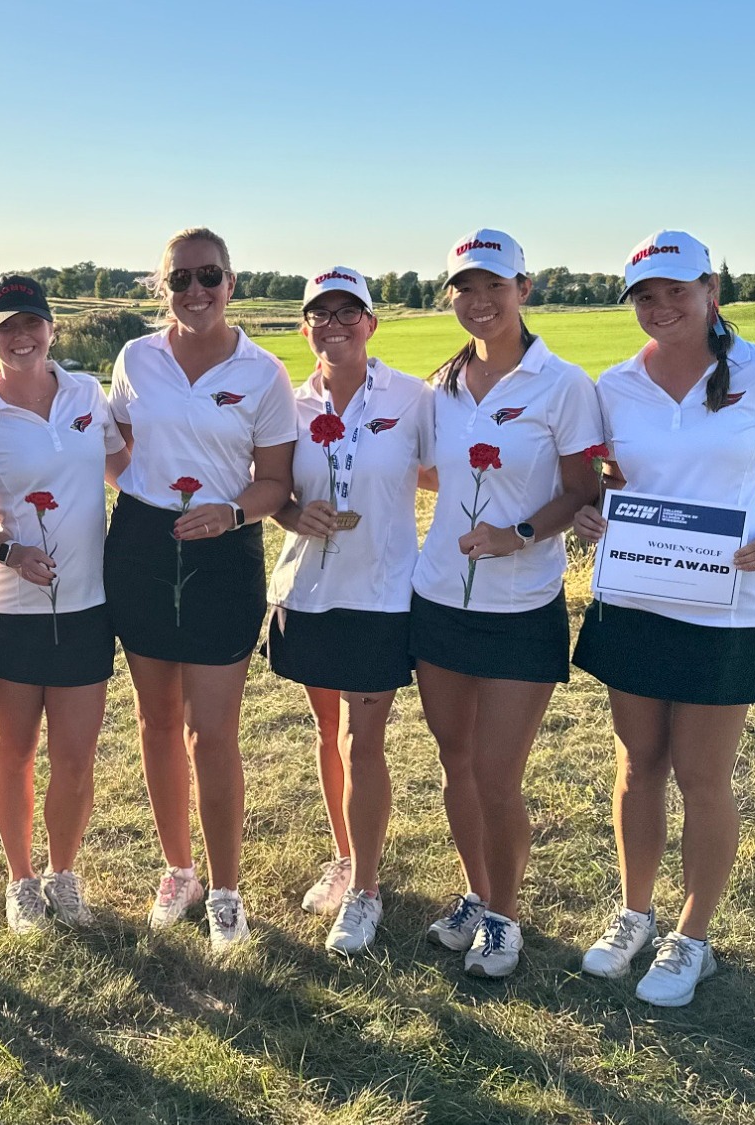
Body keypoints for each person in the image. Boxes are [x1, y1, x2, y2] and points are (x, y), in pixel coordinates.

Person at [571, 230, 755, 1007]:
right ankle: (634, 914)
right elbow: (604, 478)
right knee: (636, 764)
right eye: (645, 296)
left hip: (730, 607)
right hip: (637, 600)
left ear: (711, 289)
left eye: (677, 290)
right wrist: (592, 512)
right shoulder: (613, 385)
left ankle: (692, 937)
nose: (661, 307)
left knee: (702, 775)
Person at [411, 230, 604, 979]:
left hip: (523, 605)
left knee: (496, 774)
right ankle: (477, 892)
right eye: (464, 287)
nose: (479, 301)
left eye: (494, 285)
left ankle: (506, 919)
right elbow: (427, 470)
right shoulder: (442, 387)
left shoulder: (563, 384)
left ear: (524, 288)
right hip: (437, 601)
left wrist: (518, 530)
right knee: (455, 762)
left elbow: (582, 488)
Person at [105, 228, 296, 949]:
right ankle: (177, 869)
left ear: (231, 281)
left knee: (211, 733)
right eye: (180, 279)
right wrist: (145, 496)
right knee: (156, 722)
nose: (195, 291)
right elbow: (117, 444)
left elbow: (275, 480)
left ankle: (224, 889)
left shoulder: (263, 372)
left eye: (207, 276)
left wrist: (234, 510)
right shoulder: (135, 359)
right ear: (164, 287)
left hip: (224, 553)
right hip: (142, 549)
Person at [263, 267, 433, 956]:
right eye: (321, 315)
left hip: (382, 595)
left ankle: (365, 888)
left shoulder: (413, 397)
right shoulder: (288, 404)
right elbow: (268, 488)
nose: (335, 324)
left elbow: (451, 471)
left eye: (348, 312)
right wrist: (295, 512)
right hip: (305, 593)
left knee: (366, 739)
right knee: (326, 728)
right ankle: (343, 853)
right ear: (307, 329)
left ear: (371, 324)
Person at [0, 276, 128, 933]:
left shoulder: (87, 393)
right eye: (5, 328)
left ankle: (63, 872)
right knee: (16, 750)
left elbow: (122, 468)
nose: (20, 337)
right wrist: (9, 552)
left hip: (87, 604)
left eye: (31, 324)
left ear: (51, 328)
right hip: (8, 610)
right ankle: (20, 879)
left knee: (76, 757)